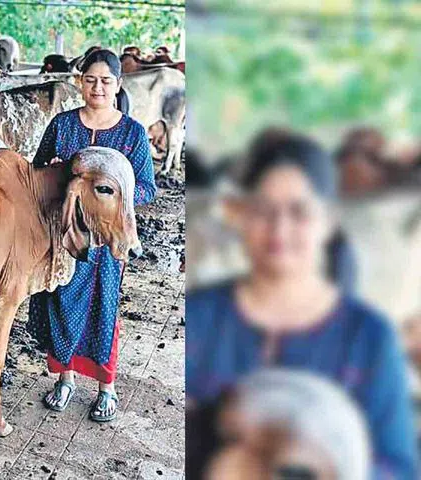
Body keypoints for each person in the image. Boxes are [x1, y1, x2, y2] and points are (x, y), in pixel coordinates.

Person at [186, 131, 418, 478]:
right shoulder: (200, 316)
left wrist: (329, 461)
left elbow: (400, 469)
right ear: (242, 216)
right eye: (264, 209)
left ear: (328, 220)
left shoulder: (369, 336)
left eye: (299, 211)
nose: (279, 228)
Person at [28, 49, 157, 422]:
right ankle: (65, 380)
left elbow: (146, 187)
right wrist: (54, 173)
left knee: (104, 310)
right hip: (65, 236)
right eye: (90, 80)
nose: (97, 87)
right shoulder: (63, 125)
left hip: (105, 240)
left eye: (105, 81)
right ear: (80, 83)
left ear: (118, 85)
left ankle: (106, 388)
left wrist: (116, 193)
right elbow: (38, 172)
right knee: (60, 304)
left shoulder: (131, 132)